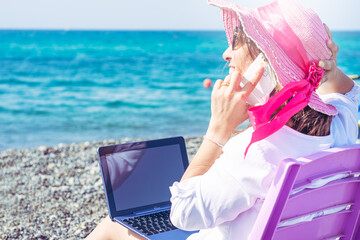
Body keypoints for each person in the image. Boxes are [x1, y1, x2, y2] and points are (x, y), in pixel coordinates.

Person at [85, 1, 359, 239]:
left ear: (265, 65)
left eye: (238, 41)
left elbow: (181, 214)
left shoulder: (256, 152)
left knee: (113, 227)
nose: (226, 53)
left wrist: (218, 130)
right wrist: (329, 70)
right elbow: (349, 92)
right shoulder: (339, 127)